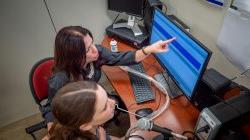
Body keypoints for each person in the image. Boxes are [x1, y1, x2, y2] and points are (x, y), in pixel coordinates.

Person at [42, 26, 176, 130]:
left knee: (121, 103)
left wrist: (149, 49)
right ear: (74, 56)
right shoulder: (60, 79)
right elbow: (50, 109)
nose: (96, 50)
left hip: (95, 99)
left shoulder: (97, 53)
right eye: (88, 50)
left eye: (92, 43)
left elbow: (121, 58)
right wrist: (53, 131)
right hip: (83, 114)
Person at [47, 81, 118, 140]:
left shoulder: (90, 127)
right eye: (104, 107)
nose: (113, 102)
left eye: (107, 96)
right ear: (86, 126)